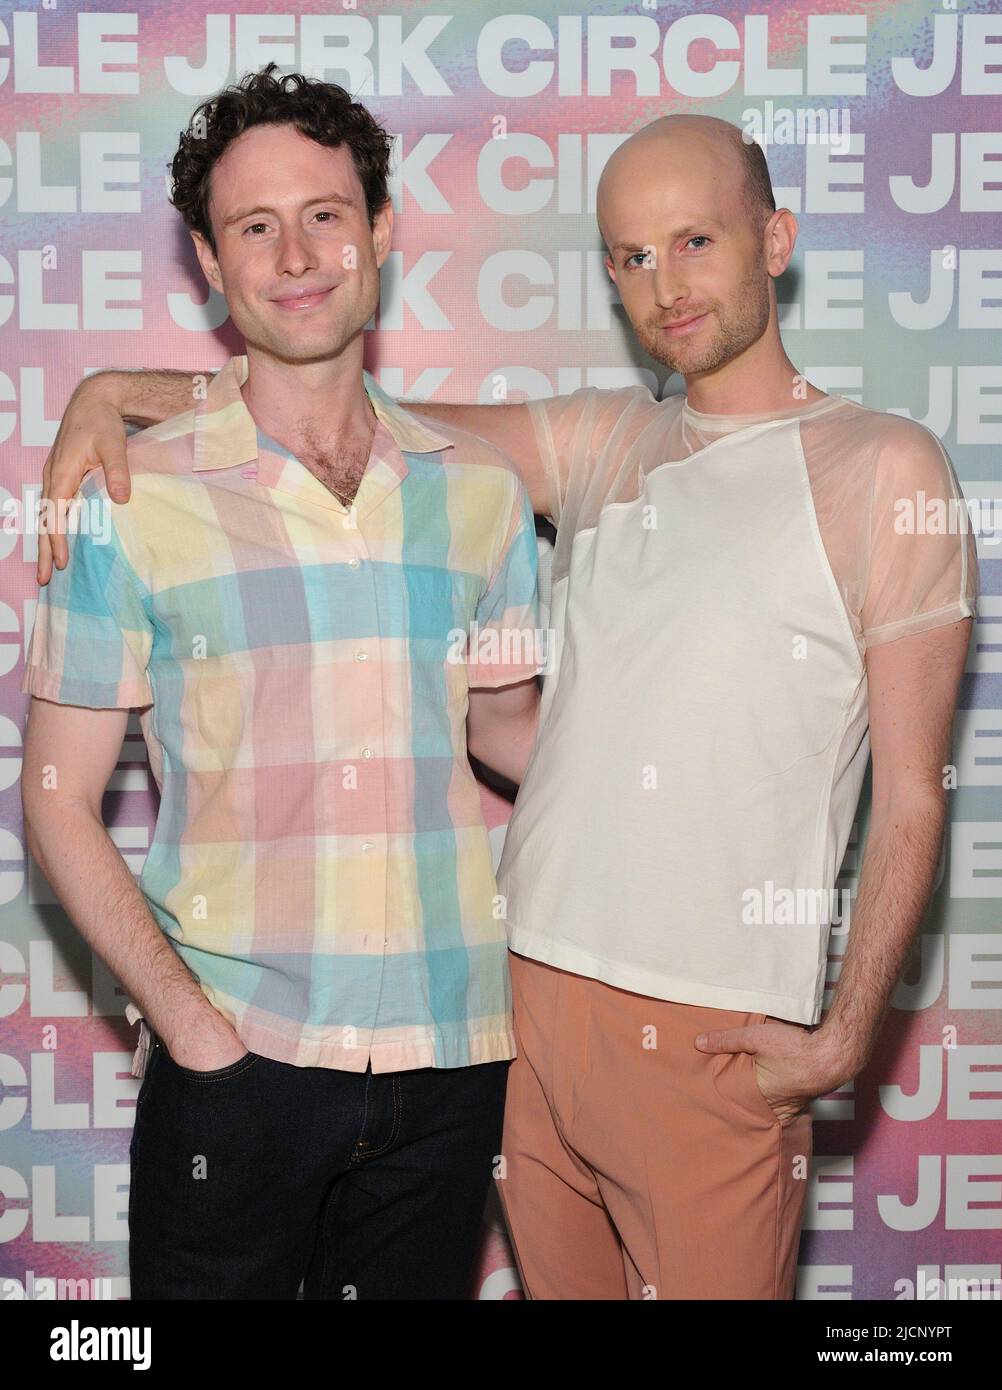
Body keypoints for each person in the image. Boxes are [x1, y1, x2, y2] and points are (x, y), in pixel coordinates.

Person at [36, 114, 979, 1300]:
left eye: (694, 240)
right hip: (519, 1013)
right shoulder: (595, 439)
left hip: (710, 1032)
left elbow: (911, 791)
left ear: (775, 238)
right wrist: (112, 392)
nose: (664, 285)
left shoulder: (885, 467)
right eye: (630, 256)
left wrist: (848, 1031)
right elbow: (329, 413)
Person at [20, 65, 542, 1300]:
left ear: (381, 229)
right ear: (207, 260)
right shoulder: (132, 498)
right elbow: (55, 796)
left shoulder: (478, 492)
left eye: (325, 212)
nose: (297, 253)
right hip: (238, 1068)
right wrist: (200, 1034)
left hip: (453, 1059)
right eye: (255, 226)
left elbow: (514, 731)